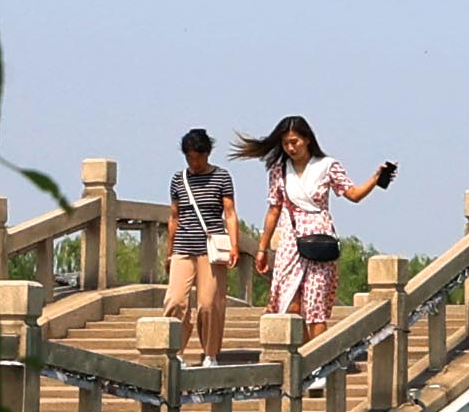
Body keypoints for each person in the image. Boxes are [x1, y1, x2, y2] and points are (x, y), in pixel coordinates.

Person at [232, 115, 395, 338]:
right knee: (290, 304)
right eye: (286, 143)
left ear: (307, 139)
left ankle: (317, 364)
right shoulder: (279, 171)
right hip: (291, 237)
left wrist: (376, 178)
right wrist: (262, 248)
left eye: (295, 142)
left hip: (320, 237)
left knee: (315, 308)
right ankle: (301, 359)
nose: (291, 148)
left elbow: (353, 194)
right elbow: (273, 210)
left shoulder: (327, 166)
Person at [163, 125, 240, 361]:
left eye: (197, 157)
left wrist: (234, 245)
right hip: (184, 247)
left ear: (207, 154)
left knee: (209, 304)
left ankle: (210, 353)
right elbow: (174, 217)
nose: (193, 162)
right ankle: (172, 352)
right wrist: (169, 252)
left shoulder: (221, 177)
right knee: (175, 301)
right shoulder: (178, 179)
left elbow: (230, 213)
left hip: (211, 248)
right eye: (189, 157)